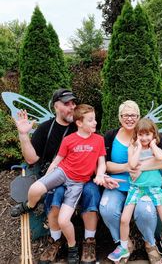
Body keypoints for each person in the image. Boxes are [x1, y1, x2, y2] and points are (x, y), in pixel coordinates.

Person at [10, 89, 117, 264]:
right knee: (55, 199)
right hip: (60, 174)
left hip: (85, 179)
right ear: (56, 107)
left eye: (74, 103)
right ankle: (55, 239)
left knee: (91, 194)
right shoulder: (47, 128)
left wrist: (101, 174)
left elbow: (100, 157)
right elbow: (31, 159)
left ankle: (89, 241)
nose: (72, 107)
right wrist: (23, 135)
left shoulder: (87, 128)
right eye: (67, 104)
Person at [100, 100, 162, 264]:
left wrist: (141, 168)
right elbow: (105, 164)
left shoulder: (150, 134)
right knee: (107, 208)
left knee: (146, 211)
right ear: (120, 117)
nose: (129, 118)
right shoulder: (111, 136)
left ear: (139, 116)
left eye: (133, 115)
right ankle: (124, 243)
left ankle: (150, 243)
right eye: (125, 115)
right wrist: (127, 166)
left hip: (143, 184)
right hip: (118, 184)